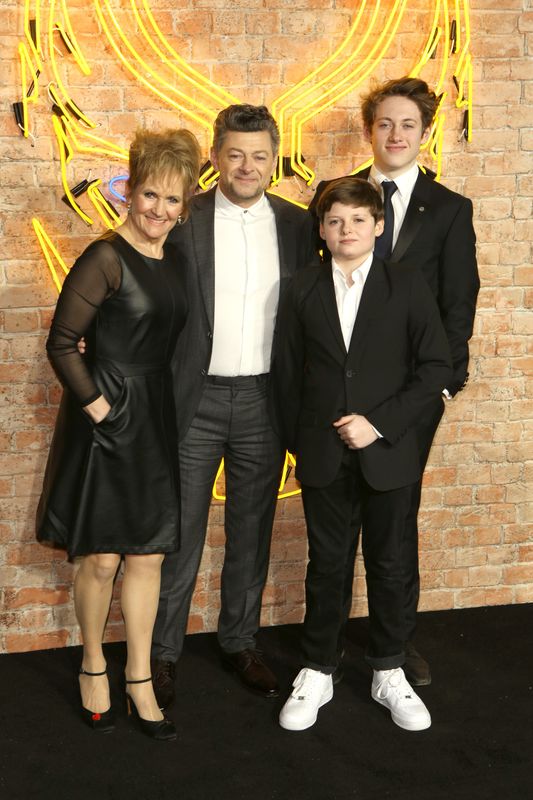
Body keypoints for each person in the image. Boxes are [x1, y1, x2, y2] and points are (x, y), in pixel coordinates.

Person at [309, 77, 479, 685]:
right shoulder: (337, 199)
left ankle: (395, 647)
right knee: (337, 529)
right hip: (342, 394)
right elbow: (315, 292)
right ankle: (326, 651)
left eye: (408, 124)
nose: (396, 134)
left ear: (425, 133)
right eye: (385, 123)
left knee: (396, 521)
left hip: (411, 397)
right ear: (368, 131)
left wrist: (440, 388)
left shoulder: (450, 209)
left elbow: (460, 300)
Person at [36, 128, 201, 740]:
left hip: (154, 415)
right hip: (106, 420)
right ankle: (92, 665)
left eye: (173, 201)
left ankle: (140, 678)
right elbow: (61, 343)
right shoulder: (104, 256)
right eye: (150, 195)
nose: (159, 210)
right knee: (103, 557)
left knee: (149, 554)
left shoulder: (177, 259)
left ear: (185, 207)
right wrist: (101, 409)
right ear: (129, 190)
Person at [151, 104, 317, 708]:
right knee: (179, 532)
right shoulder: (182, 217)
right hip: (193, 398)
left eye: (259, 155)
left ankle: (240, 641)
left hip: (265, 399)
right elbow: (140, 281)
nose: (247, 166)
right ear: (216, 158)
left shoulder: (301, 227)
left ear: (275, 161)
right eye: (235, 154)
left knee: (252, 528)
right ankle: (160, 655)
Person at [274, 178, 452, 731]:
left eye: (357, 220)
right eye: (334, 221)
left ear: (378, 225)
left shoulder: (408, 284)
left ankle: (389, 669)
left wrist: (379, 425)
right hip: (324, 455)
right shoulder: (300, 288)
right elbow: (286, 376)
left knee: (391, 564)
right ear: (321, 230)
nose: (345, 230)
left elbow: (436, 370)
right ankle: (318, 669)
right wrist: (300, 443)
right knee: (326, 565)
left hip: (391, 452)